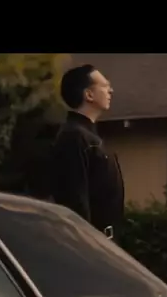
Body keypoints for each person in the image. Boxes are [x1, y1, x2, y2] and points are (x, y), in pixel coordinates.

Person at [50, 64, 125, 240]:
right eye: (105, 86)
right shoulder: (74, 137)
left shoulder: (90, 137)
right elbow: (75, 200)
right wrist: (87, 242)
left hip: (104, 240)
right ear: (89, 95)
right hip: (89, 241)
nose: (111, 91)